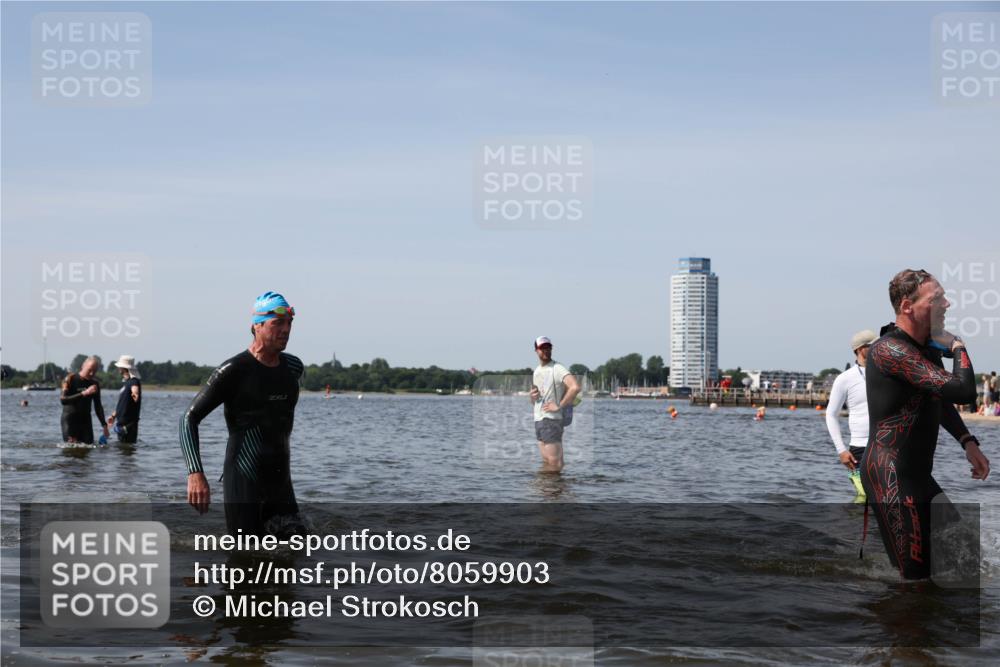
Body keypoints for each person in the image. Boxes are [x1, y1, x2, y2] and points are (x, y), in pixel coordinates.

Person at [861, 269, 990, 580]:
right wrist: (958, 346)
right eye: (937, 299)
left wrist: (967, 441)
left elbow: (940, 397)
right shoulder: (892, 350)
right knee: (916, 579)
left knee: (964, 556)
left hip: (918, 475)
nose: (947, 304)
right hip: (890, 475)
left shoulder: (925, 350)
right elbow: (963, 391)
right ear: (908, 306)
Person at [179, 292, 306, 535]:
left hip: (281, 481)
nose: (286, 329)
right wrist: (195, 473)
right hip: (244, 479)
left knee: (300, 549)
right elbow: (188, 418)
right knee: (245, 556)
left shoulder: (293, 368)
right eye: (277, 323)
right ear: (256, 325)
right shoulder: (234, 371)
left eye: (289, 323)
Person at [825, 329, 878, 498]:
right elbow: (831, 415)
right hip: (859, 450)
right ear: (860, 349)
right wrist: (841, 450)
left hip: (887, 446)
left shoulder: (887, 374)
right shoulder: (845, 379)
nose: (879, 348)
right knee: (865, 499)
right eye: (873, 345)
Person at [528, 336, 580, 473]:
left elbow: (575, 387)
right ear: (536, 350)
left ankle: (555, 493)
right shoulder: (537, 371)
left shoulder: (557, 368)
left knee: (555, 463)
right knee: (547, 463)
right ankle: (548, 492)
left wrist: (559, 406)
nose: (545, 350)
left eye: (548, 347)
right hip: (538, 420)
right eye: (542, 348)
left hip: (551, 420)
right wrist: (532, 397)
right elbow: (535, 400)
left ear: (551, 348)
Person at [60, 356, 109, 444]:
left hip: (86, 421)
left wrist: (104, 425)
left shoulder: (94, 384)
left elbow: (98, 406)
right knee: (72, 450)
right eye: (90, 370)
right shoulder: (70, 379)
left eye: (94, 371)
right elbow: (63, 400)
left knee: (88, 448)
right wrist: (84, 393)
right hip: (70, 420)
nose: (91, 373)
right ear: (83, 366)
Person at [107, 355, 142, 443]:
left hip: (129, 426)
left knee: (127, 451)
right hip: (121, 423)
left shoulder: (134, 381)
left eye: (120, 367)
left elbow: (135, 390)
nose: (118, 368)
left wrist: (135, 394)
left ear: (124, 368)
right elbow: (122, 403)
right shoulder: (127, 383)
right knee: (122, 452)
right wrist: (113, 416)